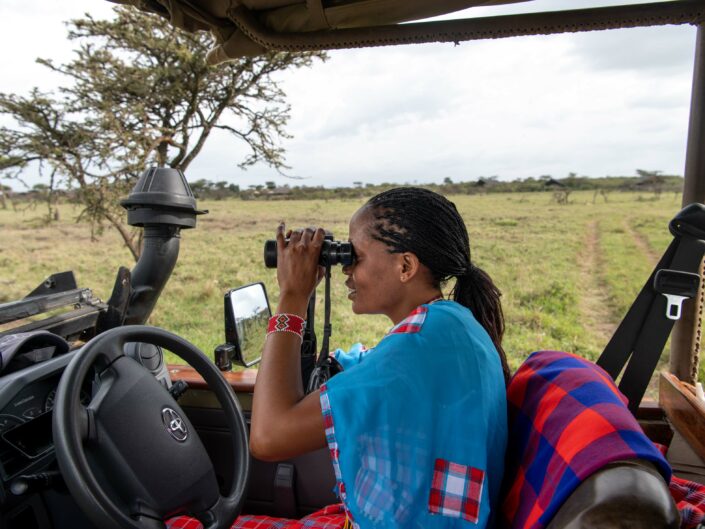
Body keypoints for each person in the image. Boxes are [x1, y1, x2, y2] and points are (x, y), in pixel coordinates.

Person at [249, 187, 509, 528]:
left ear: (405, 266)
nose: (345, 271)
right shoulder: (450, 326)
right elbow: (378, 368)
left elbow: (268, 437)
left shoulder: (414, 351)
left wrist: (292, 296)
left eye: (354, 256)